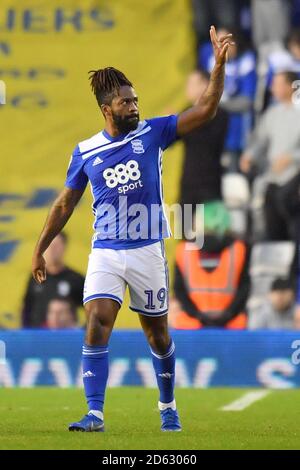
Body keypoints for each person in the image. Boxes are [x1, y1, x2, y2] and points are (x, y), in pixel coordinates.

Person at [31, 26, 234, 433]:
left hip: (147, 248)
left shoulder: (154, 132)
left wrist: (218, 67)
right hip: (106, 250)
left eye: (136, 99)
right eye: (127, 102)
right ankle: (95, 413)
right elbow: (65, 203)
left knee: (157, 335)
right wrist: (40, 248)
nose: (135, 106)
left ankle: (168, 405)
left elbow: (206, 109)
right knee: (97, 320)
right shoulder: (86, 151)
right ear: (108, 108)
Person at [169, 201, 250, 329]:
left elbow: (179, 291)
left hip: (192, 327)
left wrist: (198, 316)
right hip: (231, 327)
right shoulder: (239, 249)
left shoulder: (183, 250)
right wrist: (227, 315)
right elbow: (244, 289)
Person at [240, 71, 300, 240]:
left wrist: (292, 157)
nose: (273, 88)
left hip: (295, 179)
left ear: (291, 86)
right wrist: (249, 155)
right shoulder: (273, 113)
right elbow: (260, 139)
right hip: (273, 178)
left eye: (278, 84)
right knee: (272, 226)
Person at [199, 27, 256, 170]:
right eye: (218, 42)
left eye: (225, 42)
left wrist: (217, 104)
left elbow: (246, 102)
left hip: (237, 135)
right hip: (212, 133)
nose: (220, 47)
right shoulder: (208, 60)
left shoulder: (246, 62)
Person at [179, 69, 228, 210]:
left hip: (209, 181)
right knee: (185, 227)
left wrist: (182, 124)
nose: (187, 88)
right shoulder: (185, 112)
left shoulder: (219, 114)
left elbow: (208, 140)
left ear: (205, 85)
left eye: (192, 84)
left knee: (211, 229)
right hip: (188, 180)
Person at [22, 232, 84, 327]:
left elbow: (92, 309)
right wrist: (26, 332)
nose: (52, 249)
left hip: (65, 337)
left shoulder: (76, 279)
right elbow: (27, 308)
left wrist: (84, 330)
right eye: (48, 245)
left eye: (56, 246)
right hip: (38, 337)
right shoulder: (35, 277)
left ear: (64, 247)